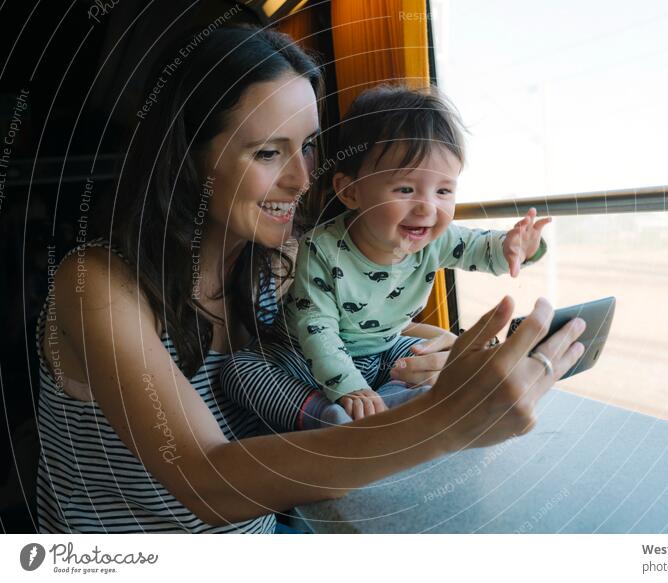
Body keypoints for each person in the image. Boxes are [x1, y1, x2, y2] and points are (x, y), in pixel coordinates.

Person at [35, 25, 586, 533]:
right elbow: (205, 480)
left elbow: (342, 327)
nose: (303, 179)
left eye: (309, 147)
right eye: (270, 152)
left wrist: (437, 346)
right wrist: (445, 421)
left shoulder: (276, 261)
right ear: (188, 158)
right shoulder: (96, 287)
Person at [222, 85, 551, 428]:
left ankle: (397, 404)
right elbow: (316, 327)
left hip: (384, 351)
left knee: (434, 362)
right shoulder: (322, 247)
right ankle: (321, 415)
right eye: (405, 189)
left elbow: (483, 248)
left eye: (443, 191)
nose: (427, 207)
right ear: (350, 191)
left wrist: (519, 247)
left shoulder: (435, 241)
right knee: (239, 371)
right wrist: (347, 387)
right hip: (300, 355)